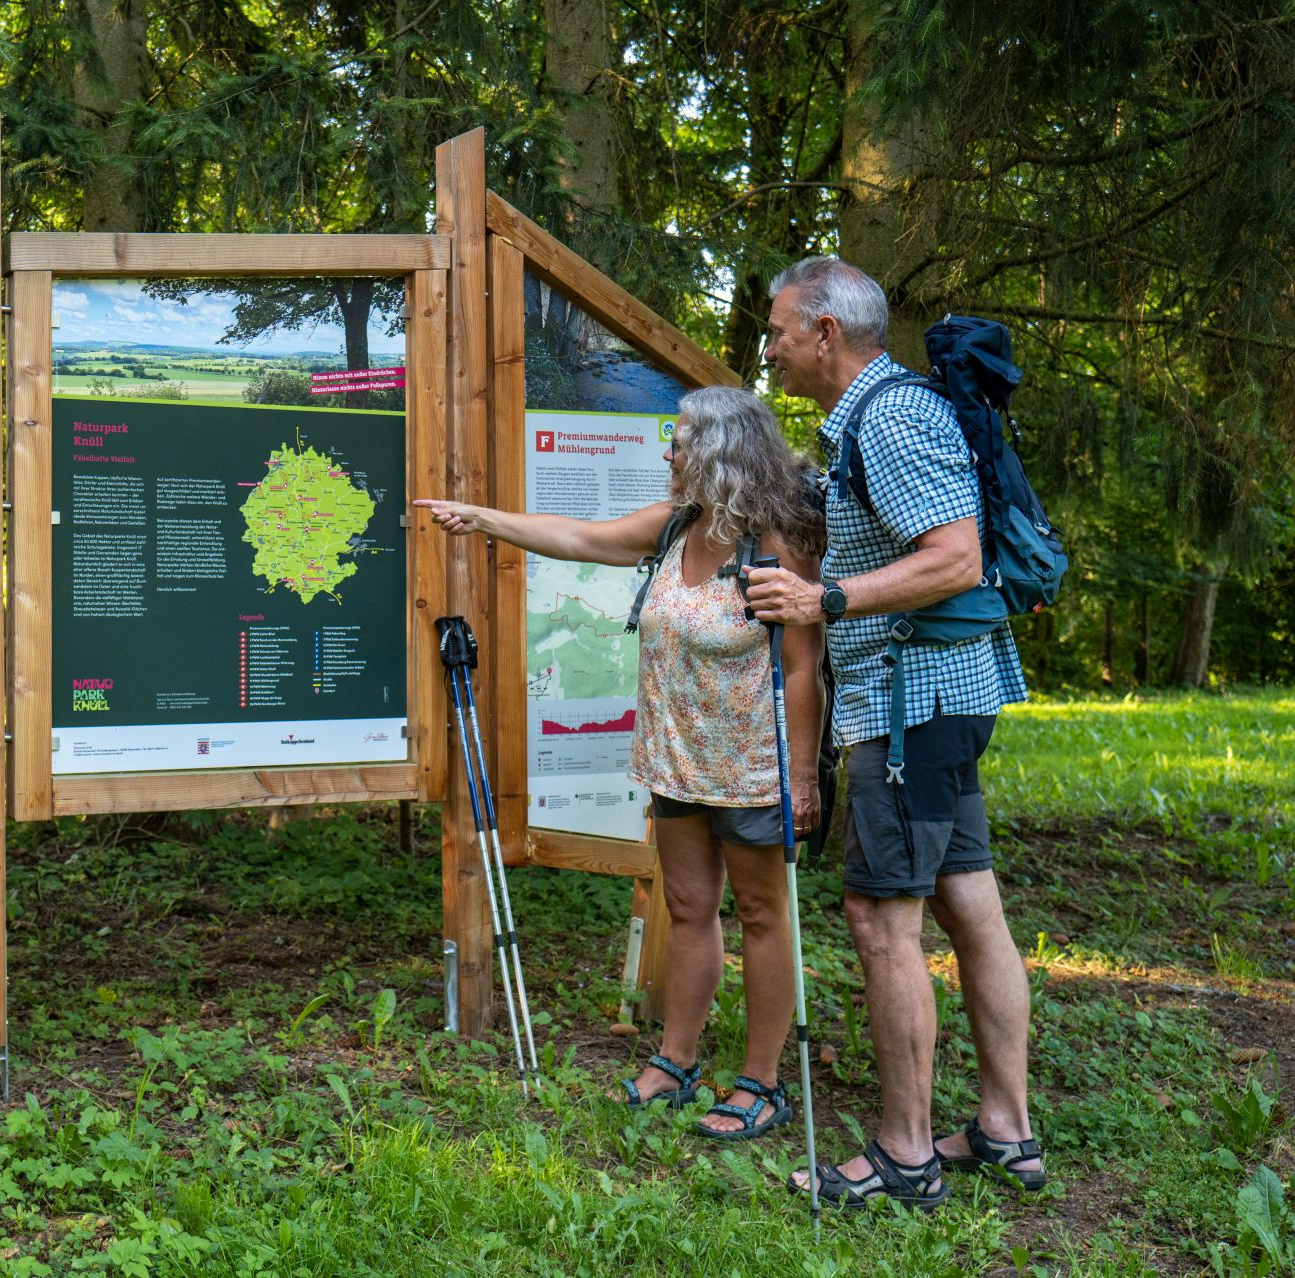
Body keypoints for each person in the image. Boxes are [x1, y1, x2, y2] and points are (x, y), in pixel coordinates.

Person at [415, 386, 824, 1141]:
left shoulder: (775, 544)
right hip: (674, 763)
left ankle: (762, 1083)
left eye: (682, 439)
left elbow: (803, 666)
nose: (668, 450)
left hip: (751, 770)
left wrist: (801, 776)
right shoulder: (677, 528)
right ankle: (676, 1061)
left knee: (765, 917)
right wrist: (480, 520)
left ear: (720, 450)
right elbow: (578, 537)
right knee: (691, 910)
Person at [744, 256, 1044, 1210]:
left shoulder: (894, 417)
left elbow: (953, 557)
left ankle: (905, 1154)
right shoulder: (875, 419)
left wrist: (824, 595)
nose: (773, 347)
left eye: (781, 330)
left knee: (884, 920)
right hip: (941, 701)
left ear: (826, 333)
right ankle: (1004, 1131)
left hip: (912, 710)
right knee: (971, 908)